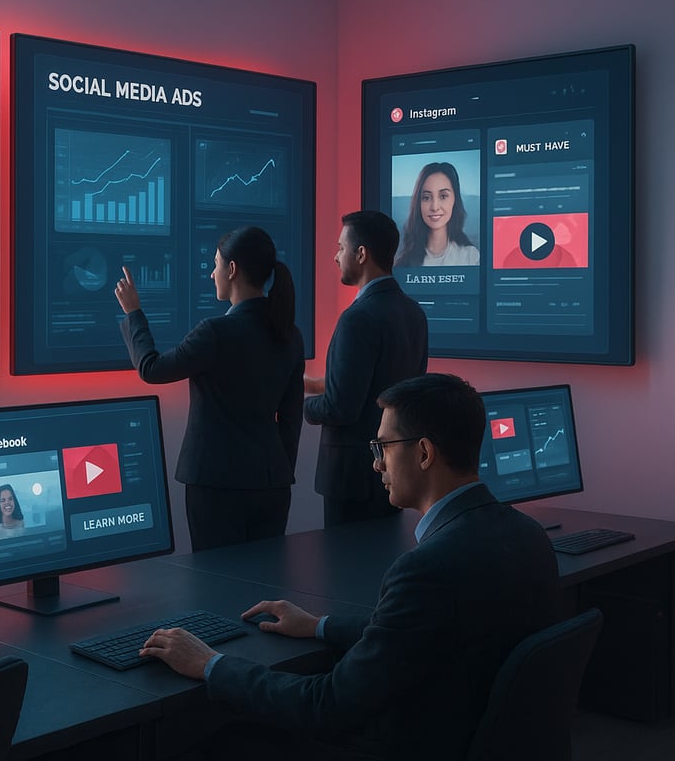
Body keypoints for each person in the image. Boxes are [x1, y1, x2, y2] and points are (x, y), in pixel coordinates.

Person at [140, 373, 561, 760]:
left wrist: (210, 664)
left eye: (383, 447)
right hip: (472, 738)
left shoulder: (428, 569)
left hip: (407, 746)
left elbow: (325, 707)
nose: (376, 463)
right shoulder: (526, 535)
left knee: (218, 742)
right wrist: (320, 625)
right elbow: (428, 634)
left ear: (424, 452)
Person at [115, 225, 304, 551]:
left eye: (215, 265)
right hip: (272, 482)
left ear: (232, 270)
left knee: (218, 585)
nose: (211, 274)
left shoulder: (216, 331)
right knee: (267, 581)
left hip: (216, 484)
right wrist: (279, 469)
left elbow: (151, 368)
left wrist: (134, 313)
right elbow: (291, 416)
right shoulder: (290, 334)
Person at [305, 210, 428, 527]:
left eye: (340, 248)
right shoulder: (413, 313)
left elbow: (341, 408)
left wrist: (302, 405)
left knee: (345, 572)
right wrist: (315, 384)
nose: (335, 257)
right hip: (392, 471)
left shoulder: (357, 318)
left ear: (361, 254)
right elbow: (383, 385)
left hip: (350, 480)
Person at [395, 161, 479, 267]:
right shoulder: (404, 263)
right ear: (418, 203)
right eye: (426, 198)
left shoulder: (471, 257)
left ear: (455, 200)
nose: (434, 207)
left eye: (443, 196)